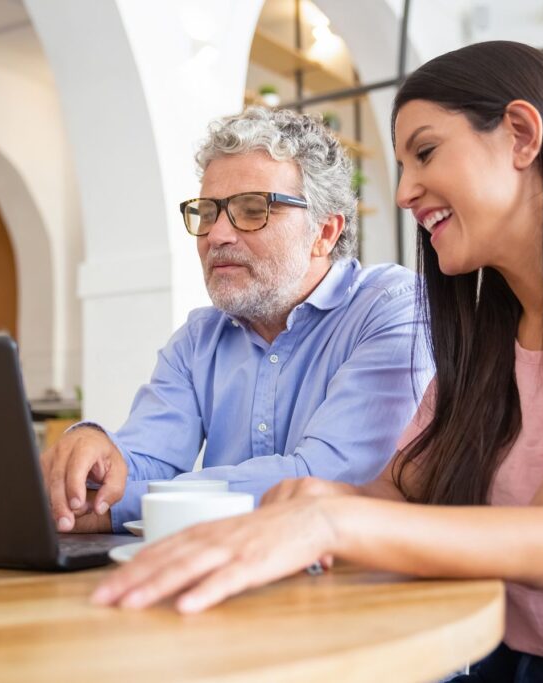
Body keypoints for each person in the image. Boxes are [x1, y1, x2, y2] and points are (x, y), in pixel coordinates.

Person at [92, 41, 543, 680]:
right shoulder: (489, 329)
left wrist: (328, 519)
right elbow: (398, 490)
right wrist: (319, 496)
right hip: (503, 651)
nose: (404, 192)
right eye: (402, 165)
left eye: (425, 152)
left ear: (520, 135)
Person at [40, 106, 432, 534]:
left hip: (352, 588)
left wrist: (114, 506)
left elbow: (326, 477)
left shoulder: (393, 308)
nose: (216, 235)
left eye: (251, 210)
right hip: (217, 580)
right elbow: (144, 459)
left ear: (324, 233)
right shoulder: (197, 339)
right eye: (207, 212)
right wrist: (94, 457)